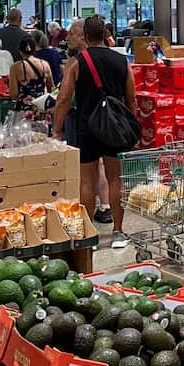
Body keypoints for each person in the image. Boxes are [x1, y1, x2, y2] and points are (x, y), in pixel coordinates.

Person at [53, 15, 134, 248]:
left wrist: (57, 129)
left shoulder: (77, 62)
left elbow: (64, 98)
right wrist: (131, 127)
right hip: (114, 128)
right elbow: (132, 98)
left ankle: (89, 234)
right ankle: (118, 232)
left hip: (86, 127)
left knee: (86, 182)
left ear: (86, 36)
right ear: (105, 34)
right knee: (115, 179)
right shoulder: (122, 61)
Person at [10, 35, 54, 106]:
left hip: (24, 109)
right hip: (41, 107)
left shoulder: (15, 67)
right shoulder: (45, 64)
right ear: (35, 49)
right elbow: (51, 88)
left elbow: (13, 94)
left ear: (20, 51)